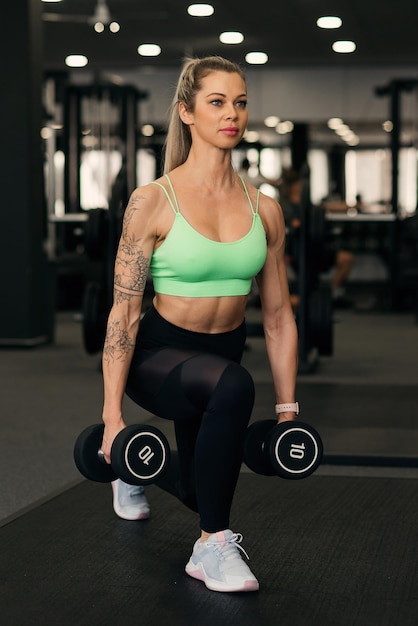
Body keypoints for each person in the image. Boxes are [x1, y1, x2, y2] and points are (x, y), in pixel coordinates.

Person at [99, 55, 298, 593]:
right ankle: (211, 547)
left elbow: (278, 318)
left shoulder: (266, 209)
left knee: (202, 484)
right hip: (158, 356)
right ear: (186, 111)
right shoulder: (152, 202)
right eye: (216, 102)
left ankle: (134, 469)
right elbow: (124, 314)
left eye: (240, 102)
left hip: (219, 357)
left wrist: (287, 412)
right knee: (233, 387)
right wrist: (113, 418)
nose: (231, 113)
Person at [279, 168, 354, 307]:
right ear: (293, 187)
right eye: (299, 184)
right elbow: (292, 226)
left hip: (317, 249)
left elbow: (324, 208)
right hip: (296, 252)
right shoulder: (286, 207)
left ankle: (330, 295)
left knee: (346, 258)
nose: (301, 186)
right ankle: (298, 301)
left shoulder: (309, 205)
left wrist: (349, 206)